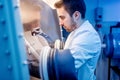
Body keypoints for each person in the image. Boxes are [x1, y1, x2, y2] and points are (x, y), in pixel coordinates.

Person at [54, 0, 101, 80]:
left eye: (62, 17)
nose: (60, 23)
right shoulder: (74, 32)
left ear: (76, 15)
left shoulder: (88, 36)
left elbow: (64, 67)